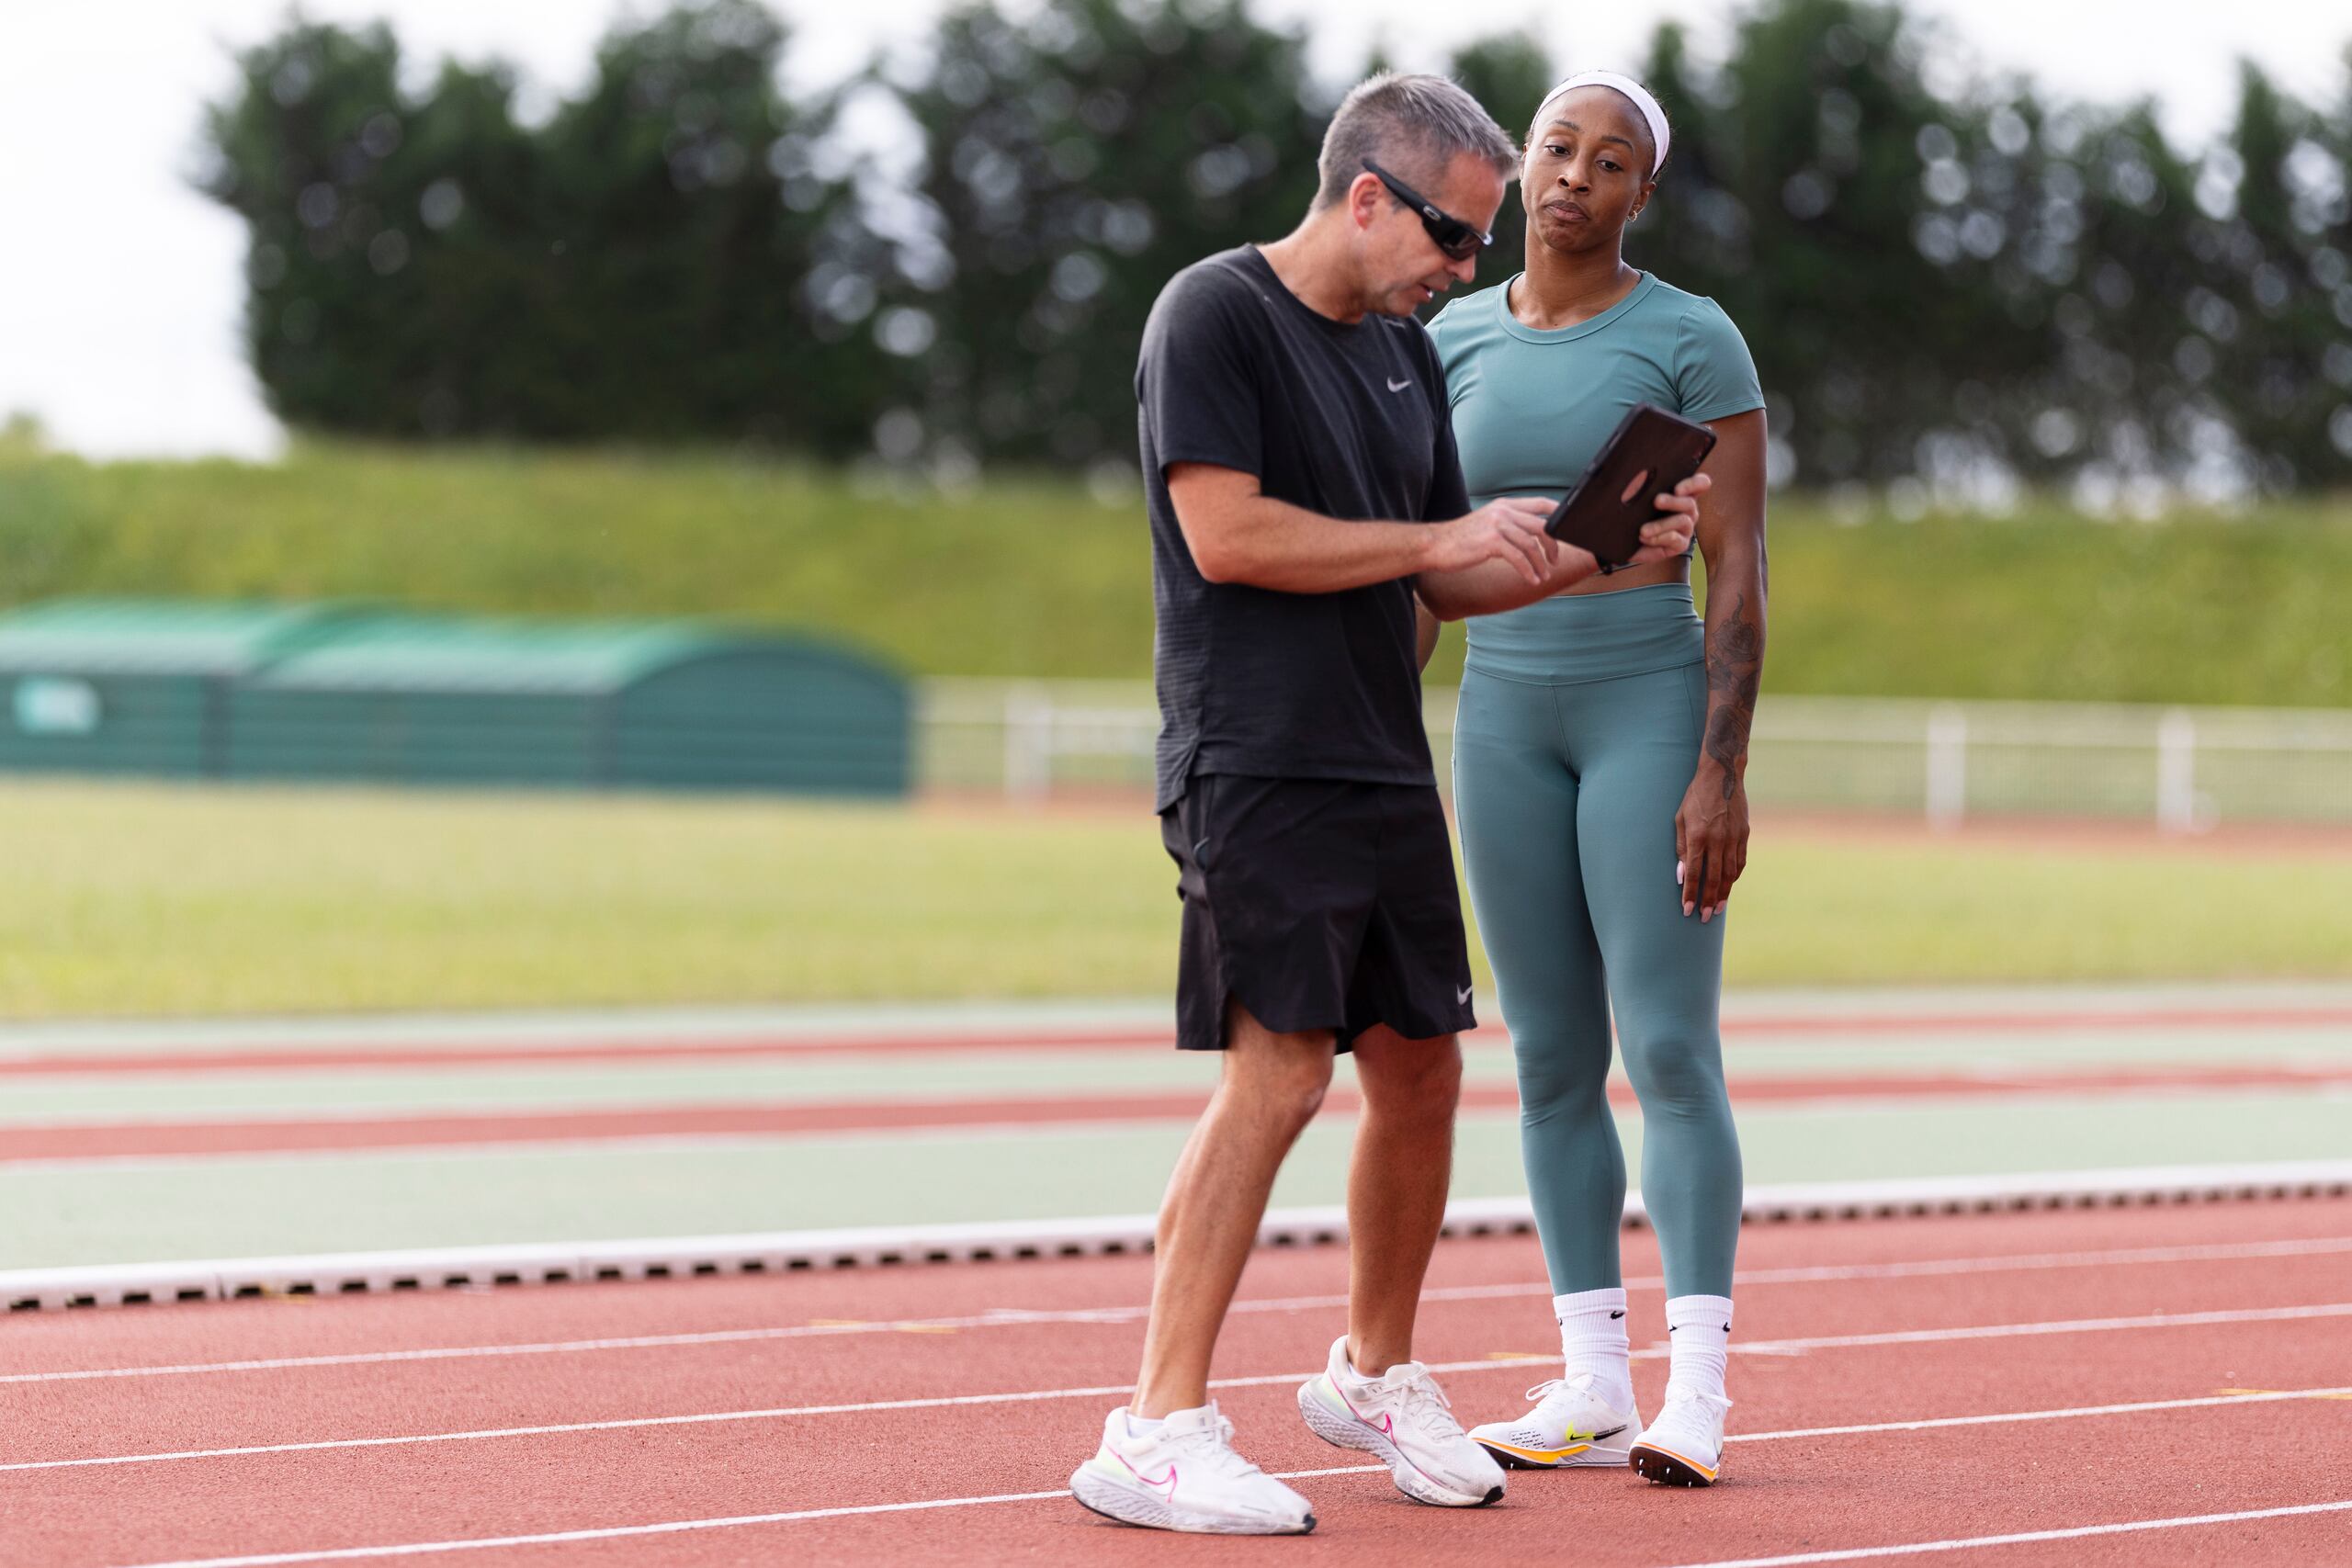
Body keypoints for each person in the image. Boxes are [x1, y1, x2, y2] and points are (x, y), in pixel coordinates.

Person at [1068, 72, 1708, 1537]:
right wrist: (1437, 537)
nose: (1467, 268)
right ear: (1368, 197)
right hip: (1257, 754)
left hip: (1379, 752)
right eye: (1452, 236)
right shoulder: (1214, 313)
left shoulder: (1405, 356)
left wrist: (1600, 550)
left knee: (1423, 1065)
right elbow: (1227, 536)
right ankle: (1155, 1426)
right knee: (1283, 1072)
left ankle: (1372, 1371)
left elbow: (1441, 581)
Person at [1426, 71, 1770, 1489]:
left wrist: (1720, 768)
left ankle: (1699, 1391)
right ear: (1521, 166)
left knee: (1669, 1049)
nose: (1576, 174)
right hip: (1500, 715)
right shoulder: (1444, 335)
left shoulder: (1691, 337)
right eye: (1558, 148)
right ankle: (1592, 1382)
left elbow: (1739, 568)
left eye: (1611, 160)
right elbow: (1422, 558)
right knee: (1550, 1056)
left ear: (1643, 193)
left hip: (1646, 704)